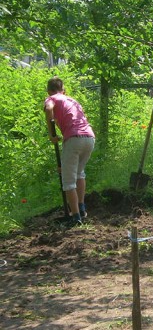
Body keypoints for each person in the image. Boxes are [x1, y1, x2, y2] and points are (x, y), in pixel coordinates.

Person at [44, 76, 95, 227]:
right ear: (63, 89)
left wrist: (51, 134)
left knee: (68, 181)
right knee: (79, 173)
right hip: (89, 137)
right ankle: (81, 208)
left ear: (49, 91)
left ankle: (75, 218)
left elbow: (48, 109)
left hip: (73, 139)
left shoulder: (51, 98)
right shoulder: (72, 100)